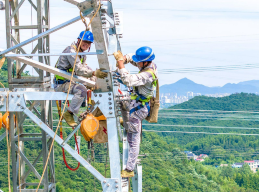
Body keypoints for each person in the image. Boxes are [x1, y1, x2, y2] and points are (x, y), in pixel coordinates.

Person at [114, 46, 158, 177]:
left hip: (139, 109)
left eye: (140, 62)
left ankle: (129, 169)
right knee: (122, 103)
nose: (137, 64)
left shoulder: (147, 75)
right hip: (136, 103)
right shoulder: (148, 64)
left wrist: (121, 64)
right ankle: (126, 123)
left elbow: (128, 80)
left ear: (145, 62)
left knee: (133, 139)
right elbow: (133, 58)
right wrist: (124, 58)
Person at [54, 30, 107, 127]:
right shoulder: (71, 51)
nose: (86, 45)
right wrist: (94, 73)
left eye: (88, 43)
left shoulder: (82, 54)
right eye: (84, 42)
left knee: (94, 80)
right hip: (62, 84)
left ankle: (101, 108)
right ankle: (69, 113)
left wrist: (93, 80)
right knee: (81, 90)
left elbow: (83, 70)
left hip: (71, 80)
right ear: (79, 40)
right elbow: (79, 70)